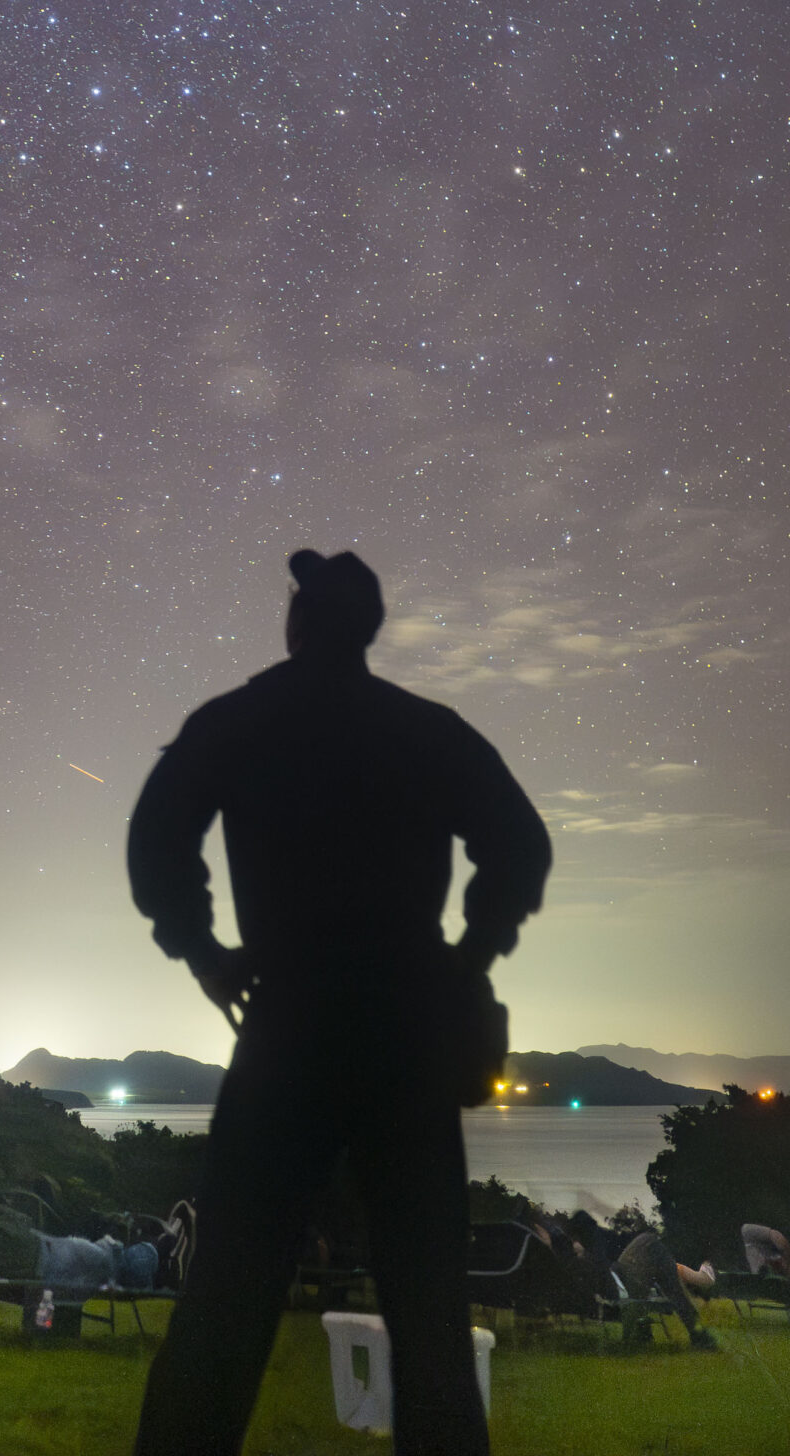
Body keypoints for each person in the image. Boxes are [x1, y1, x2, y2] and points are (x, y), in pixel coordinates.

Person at [126, 547, 552, 1456]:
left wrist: (204, 952)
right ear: (369, 629)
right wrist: (468, 959)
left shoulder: (241, 722)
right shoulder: (424, 730)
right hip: (407, 1037)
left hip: (289, 1028)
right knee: (429, 1308)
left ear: (297, 624)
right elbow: (519, 843)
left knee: (229, 1295)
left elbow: (157, 836)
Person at [562, 1211, 719, 1348]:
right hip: (623, 1289)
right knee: (652, 1245)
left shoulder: (571, 1260)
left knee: (649, 1243)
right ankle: (694, 1327)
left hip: (618, 1275)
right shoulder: (580, 1260)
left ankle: (650, 1324)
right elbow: (602, 1277)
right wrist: (584, 1250)